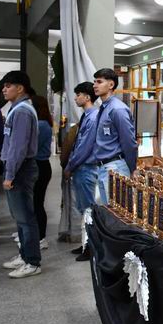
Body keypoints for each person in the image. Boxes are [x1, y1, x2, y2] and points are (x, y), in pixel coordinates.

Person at [0, 71, 41, 279]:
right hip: (19, 168)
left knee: (25, 218)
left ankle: (32, 261)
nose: (4, 89)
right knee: (20, 217)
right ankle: (25, 255)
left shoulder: (22, 111)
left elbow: (18, 148)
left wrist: (10, 174)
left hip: (21, 169)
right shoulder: (18, 109)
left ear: (20, 88)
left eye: (8, 85)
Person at [63, 82, 100, 260]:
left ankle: (91, 248)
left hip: (86, 167)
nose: (76, 98)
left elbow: (84, 147)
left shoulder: (92, 117)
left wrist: (70, 166)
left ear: (87, 97)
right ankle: (86, 244)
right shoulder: (87, 116)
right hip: (82, 168)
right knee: (83, 209)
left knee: (88, 210)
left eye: (78, 94)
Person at [93, 68, 137, 204]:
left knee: (115, 216)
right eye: (94, 82)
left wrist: (132, 168)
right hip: (103, 168)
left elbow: (129, 142)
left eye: (99, 82)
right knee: (107, 213)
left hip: (115, 167)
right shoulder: (104, 108)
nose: (94, 85)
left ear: (111, 85)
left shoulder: (118, 109)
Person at [31, 95, 53, 250]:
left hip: (40, 165)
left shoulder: (42, 125)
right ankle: (35, 235)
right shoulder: (41, 123)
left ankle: (41, 237)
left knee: (37, 202)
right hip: (39, 165)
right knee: (34, 203)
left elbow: (32, 145)